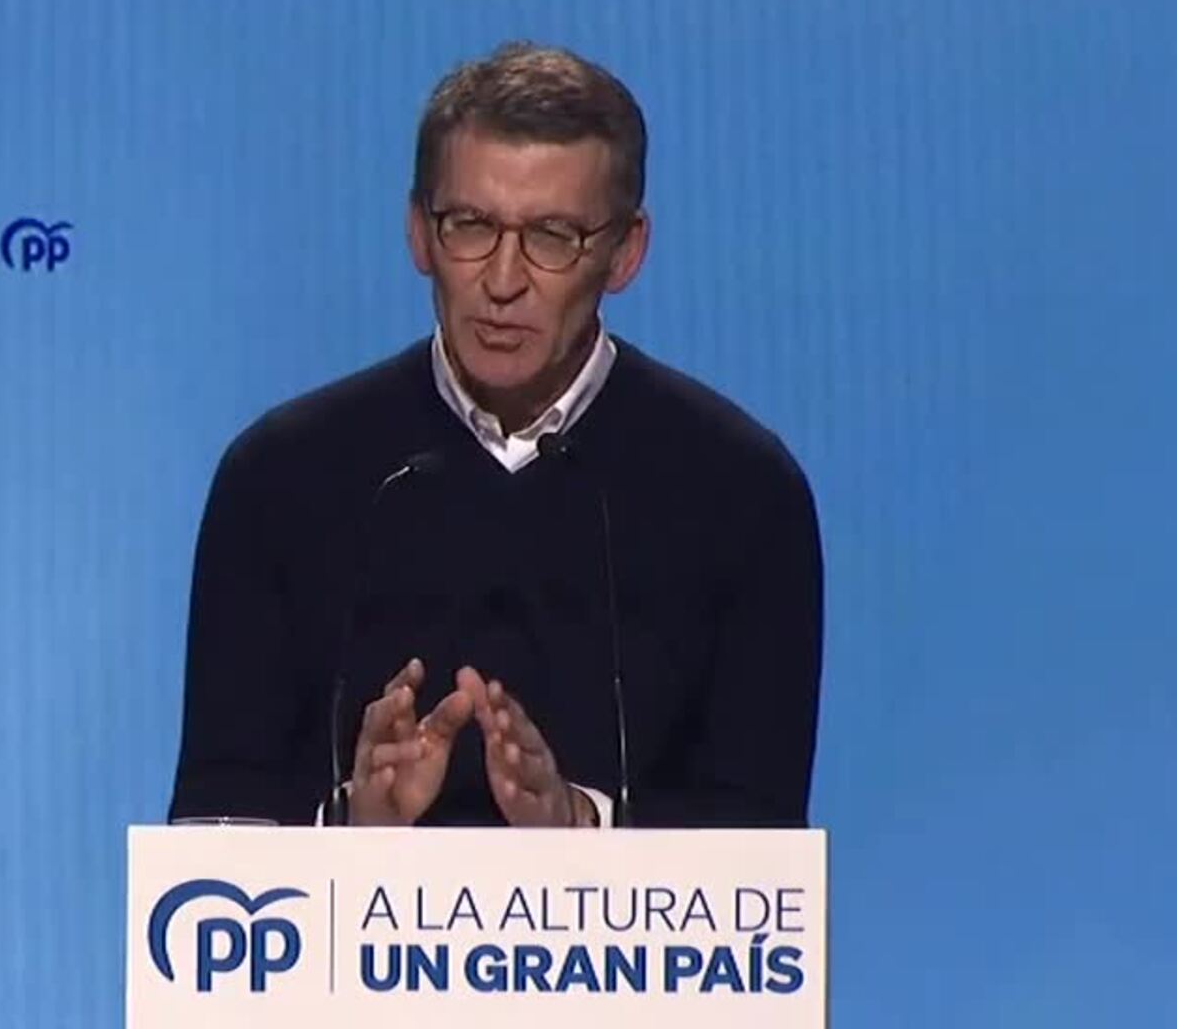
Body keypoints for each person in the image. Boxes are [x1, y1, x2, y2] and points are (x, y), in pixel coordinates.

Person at [168, 41, 823, 828]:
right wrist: (351, 825)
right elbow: (212, 824)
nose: (503, 281)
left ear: (626, 253)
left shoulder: (740, 491)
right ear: (419, 233)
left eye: (552, 236)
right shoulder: (280, 477)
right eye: (471, 226)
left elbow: (763, 840)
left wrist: (579, 827)